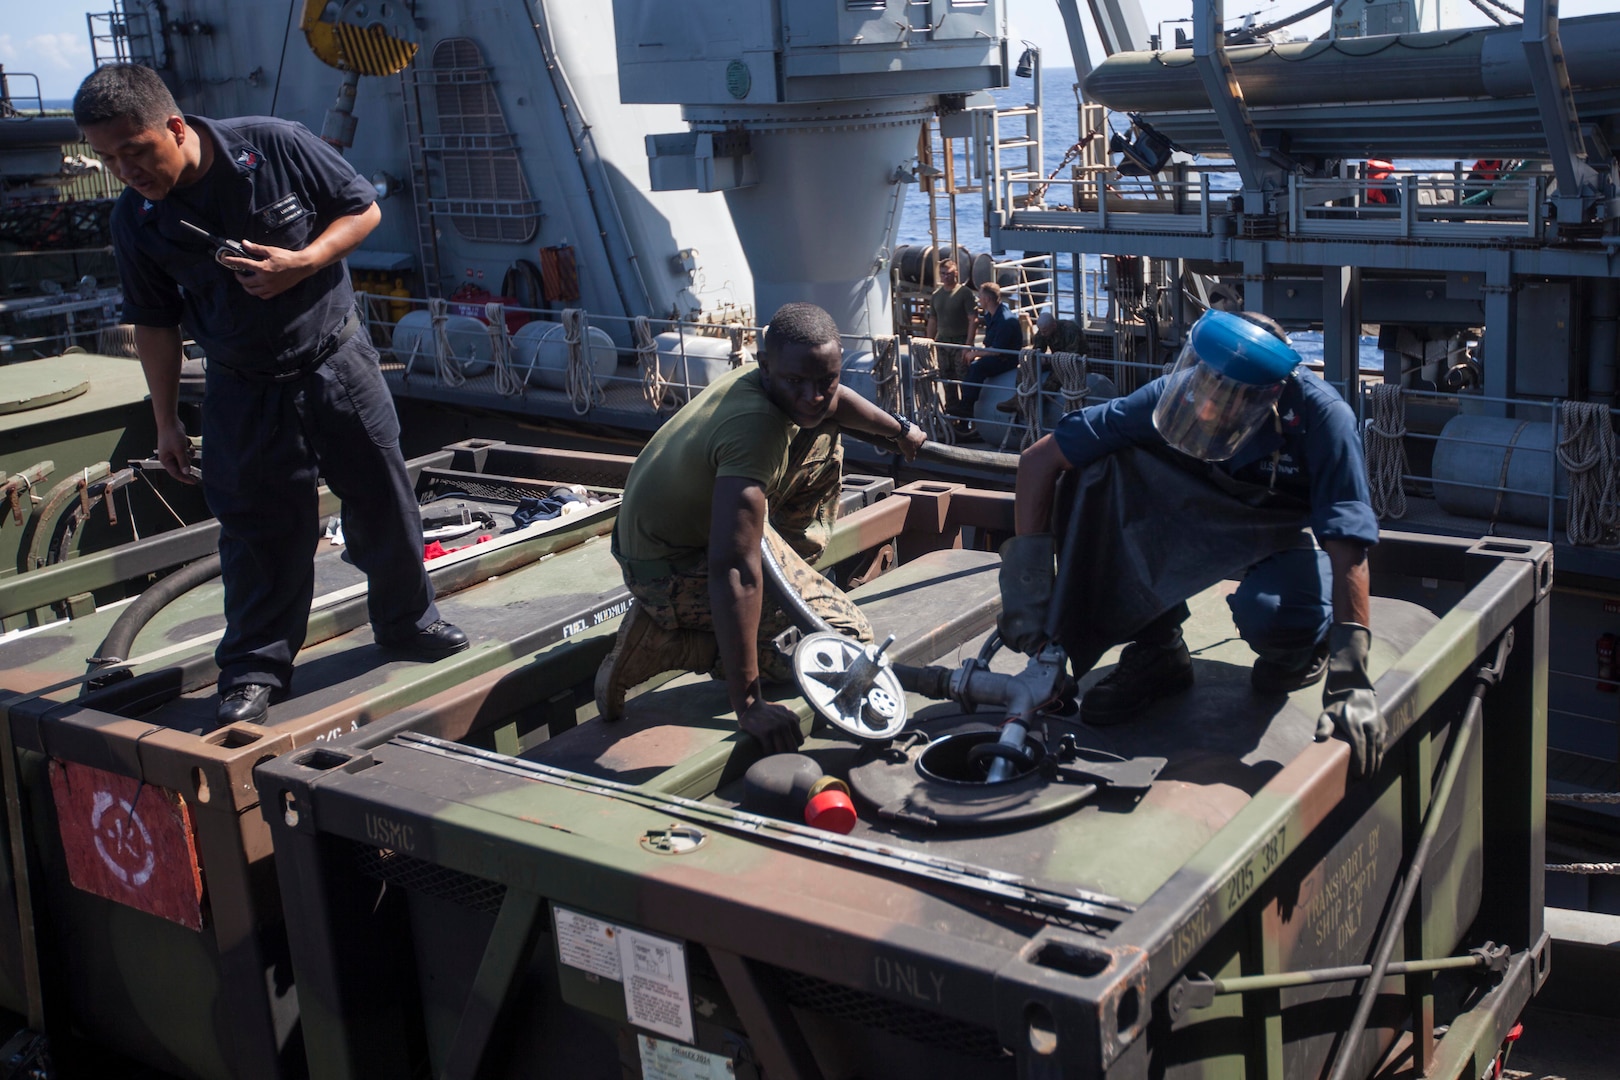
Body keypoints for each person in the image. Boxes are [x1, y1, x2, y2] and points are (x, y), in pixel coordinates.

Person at [75, 64, 466, 726]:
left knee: (383, 500)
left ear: (174, 127)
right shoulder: (136, 219)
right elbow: (155, 322)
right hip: (241, 385)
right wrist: (166, 421)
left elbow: (361, 206)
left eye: (135, 151)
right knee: (257, 530)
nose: (126, 170)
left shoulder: (273, 146)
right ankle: (255, 668)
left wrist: (305, 262)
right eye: (108, 159)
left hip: (335, 361)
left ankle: (407, 623)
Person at [997, 309, 1387, 778]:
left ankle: (1302, 648)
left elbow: (1348, 543)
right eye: (1206, 387)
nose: (1207, 407)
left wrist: (1351, 679)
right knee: (1097, 471)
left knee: (1274, 616)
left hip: (1280, 530)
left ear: (1270, 395)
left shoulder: (1325, 419)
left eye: (1227, 399)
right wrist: (1028, 594)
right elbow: (1040, 462)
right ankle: (1160, 650)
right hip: (1195, 517)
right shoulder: (1174, 396)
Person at [597, 302, 927, 753]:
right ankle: (675, 643)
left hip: (673, 535)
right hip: (670, 570)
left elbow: (834, 403)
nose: (813, 394)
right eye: (797, 382)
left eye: (825, 378)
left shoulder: (762, 384)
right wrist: (749, 704)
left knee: (824, 431)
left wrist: (898, 430)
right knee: (846, 640)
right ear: (766, 366)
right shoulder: (758, 431)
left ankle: (779, 586)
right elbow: (734, 570)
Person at [951, 281, 1024, 439]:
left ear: (987, 299)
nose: (979, 300)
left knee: (978, 368)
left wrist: (975, 353)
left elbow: (998, 351)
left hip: (1007, 359)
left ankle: (966, 407)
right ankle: (964, 415)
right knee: (970, 367)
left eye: (980, 297)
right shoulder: (991, 315)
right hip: (998, 353)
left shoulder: (1005, 320)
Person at [924, 259, 977, 408]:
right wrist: (929, 343)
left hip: (960, 343)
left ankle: (967, 415)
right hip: (942, 343)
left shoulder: (964, 293)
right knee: (947, 381)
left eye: (948, 273)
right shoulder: (936, 295)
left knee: (964, 380)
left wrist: (968, 344)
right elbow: (933, 320)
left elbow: (973, 320)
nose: (945, 277)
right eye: (942, 274)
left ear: (956, 273)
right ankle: (952, 414)